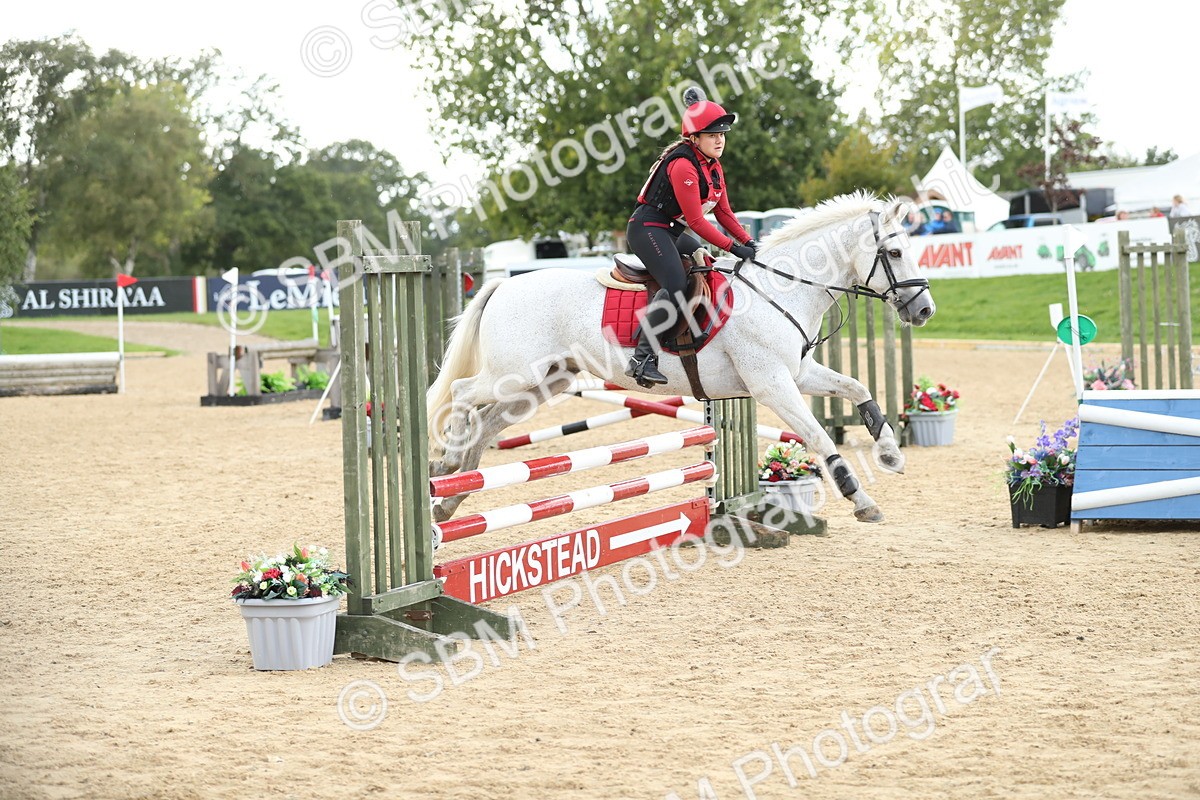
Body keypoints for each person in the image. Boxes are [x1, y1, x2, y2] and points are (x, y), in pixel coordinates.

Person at [623, 86, 756, 387]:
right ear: (694, 138)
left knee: (705, 263)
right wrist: (733, 248)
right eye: (712, 135)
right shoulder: (683, 164)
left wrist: (747, 242)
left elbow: (724, 214)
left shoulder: (714, 167)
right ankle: (641, 358)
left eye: (722, 134)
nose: (720, 139)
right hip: (648, 228)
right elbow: (696, 220)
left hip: (671, 230)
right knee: (675, 284)